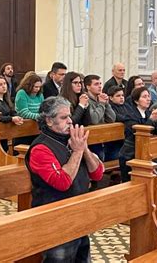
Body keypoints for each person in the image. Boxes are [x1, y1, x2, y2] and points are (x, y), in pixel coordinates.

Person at [25, 96, 104, 262]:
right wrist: (76, 152)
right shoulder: (41, 148)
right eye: (63, 118)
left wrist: (84, 149)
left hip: (79, 213)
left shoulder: (73, 141)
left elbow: (97, 174)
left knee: (82, 258)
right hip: (55, 219)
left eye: (69, 116)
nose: (70, 121)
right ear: (49, 120)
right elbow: (62, 182)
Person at [119, 87, 157, 182]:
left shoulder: (148, 112)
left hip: (145, 151)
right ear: (136, 101)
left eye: (149, 96)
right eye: (144, 97)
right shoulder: (130, 115)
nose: (148, 99)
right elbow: (138, 133)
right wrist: (151, 120)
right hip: (130, 153)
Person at [82, 75, 116, 162]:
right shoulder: (86, 100)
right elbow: (94, 120)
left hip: (102, 136)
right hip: (91, 137)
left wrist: (107, 104)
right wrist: (101, 104)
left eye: (100, 83)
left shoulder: (100, 99)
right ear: (88, 87)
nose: (100, 86)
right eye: (96, 84)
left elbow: (112, 119)